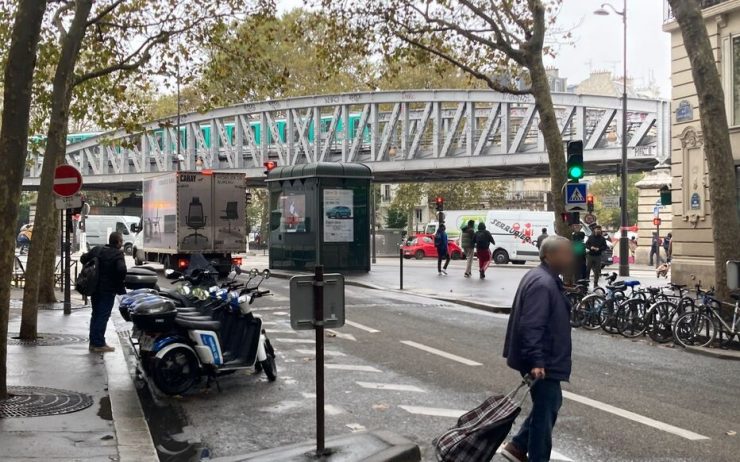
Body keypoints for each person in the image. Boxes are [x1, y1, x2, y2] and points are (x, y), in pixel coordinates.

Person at [501, 236, 574, 462]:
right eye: (565, 253)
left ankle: (517, 446)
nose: (570, 257)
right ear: (549, 256)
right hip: (543, 360)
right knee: (545, 413)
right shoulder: (544, 284)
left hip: (545, 358)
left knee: (549, 404)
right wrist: (537, 362)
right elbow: (531, 325)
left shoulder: (543, 278)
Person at [80, 232, 127, 353]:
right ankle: (98, 343)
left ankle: (94, 341)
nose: (122, 244)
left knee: (95, 314)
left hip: (94, 288)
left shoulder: (97, 250)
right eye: (121, 241)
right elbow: (121, 270)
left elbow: (83, 258)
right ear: (118, 242)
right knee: (102, 316)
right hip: (108, 290)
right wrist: (119, 283)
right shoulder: (118, 254)